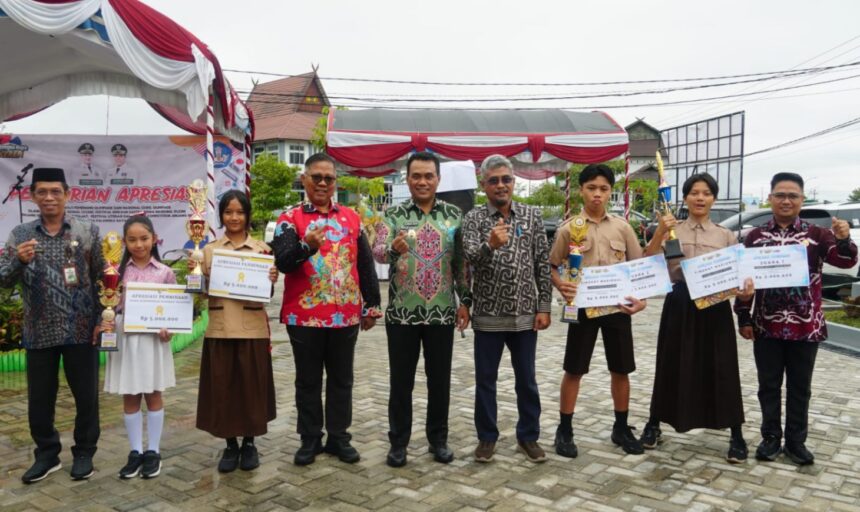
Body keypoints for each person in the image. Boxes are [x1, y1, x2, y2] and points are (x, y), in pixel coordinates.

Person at [735, 172, 857, 465]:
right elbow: (745, 280)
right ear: (770, 198)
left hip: (806, 326)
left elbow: (846, 261)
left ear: (802, 200)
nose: (786, 200)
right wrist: (743, 316)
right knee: (768, 385)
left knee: (801, 387)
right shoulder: (755, 237)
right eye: (780, 195)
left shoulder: (818, 235)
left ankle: (796, 442)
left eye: (792, 195)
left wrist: (844, 240)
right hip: (767, 324)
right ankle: (771, 438)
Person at [272, 153, 382, 466]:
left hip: (345, 315)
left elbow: (364, 263)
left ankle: (338, 437)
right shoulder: (289, 219)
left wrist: (371, 304)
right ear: (304, 180)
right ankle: (310, 439)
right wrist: (306, 246)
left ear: (335, 183)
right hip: (303, 316)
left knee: (341, 380)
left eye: (328, 178)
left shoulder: (351, 218)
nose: (322, 183)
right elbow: (282, 262)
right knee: (307, 381)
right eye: (316, 177)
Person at [639, 173, 755, 462]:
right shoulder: (671, 228)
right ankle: (654, 423)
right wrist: (658, 235)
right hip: (679, 304)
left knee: (723, 366)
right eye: (694, 192)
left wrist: (744, 293)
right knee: (670, 362)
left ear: (714, 198)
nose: (700, 198)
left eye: (706, 193)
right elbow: (647, 262)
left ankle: (736, 434)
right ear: (685, 198)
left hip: (715, 307)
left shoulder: (725, 236)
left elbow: (738, 276)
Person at [0, 168, 103, 484]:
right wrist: (19, 260)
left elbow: (103, 279)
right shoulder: (20, 235)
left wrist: (102, 320)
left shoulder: (86, 231)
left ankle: (84, 452)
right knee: (40, 401)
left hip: (81, 329)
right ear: (32, 196)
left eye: (55, 191)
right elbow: (3, 280)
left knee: (86, 397)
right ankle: (47, 455)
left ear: (67, 194)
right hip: (39, 330)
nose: (49, 197)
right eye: (42, 191)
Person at [371, 151, 471, 467]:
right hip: (402, 314)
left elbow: (461, 264)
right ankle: (398, 443)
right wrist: (392, 249)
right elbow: (378, 254)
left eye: (429, 176)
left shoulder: (455, 215)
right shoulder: (394, 214)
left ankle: (437, 440)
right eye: (417, 176)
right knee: (401, 381)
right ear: (407, 179)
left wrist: (465, 301)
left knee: (439, 380)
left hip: (442, 313)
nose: (423, 181)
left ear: (438, 179)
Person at [549, 163, 647, 457]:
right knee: (574, 369)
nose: (597, 194)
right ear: (581, 190)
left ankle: (621, 427)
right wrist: (561, 285)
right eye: (592, 188)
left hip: (618, 309)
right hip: (582, 310)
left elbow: (638, 267)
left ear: (610, 192)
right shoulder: (569, 229)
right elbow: (551, 265)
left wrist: (641, 299)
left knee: (621, 368)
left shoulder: (623, 227)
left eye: (604, 189)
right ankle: (564, 430)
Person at [462, 154, 552, 464]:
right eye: (494, 180)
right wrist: (490, 245)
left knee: (526, 379)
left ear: (513, 182)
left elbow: (543, 263)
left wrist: (544, 307)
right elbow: (470, 261)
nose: (501, 185)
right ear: (483, 184)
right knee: (486, 380)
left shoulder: (530, 215)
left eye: (506, 179)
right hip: (487, 315)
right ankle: (487, 437)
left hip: (526, 316)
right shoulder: (473, 218)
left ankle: (529, 436)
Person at [194, 190, 278, 473]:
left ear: (247, 216)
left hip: (252, 329)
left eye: (239, 212)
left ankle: (250, 444)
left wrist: (271, 279)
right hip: (220, 329)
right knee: (223, 388)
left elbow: (266, 293)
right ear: (221, 216)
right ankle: (230, 445)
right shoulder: (208, 250)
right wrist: (195, 276)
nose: (234, 217)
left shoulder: (262, 251)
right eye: (228, 212)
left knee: (251, 389)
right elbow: (202, 295)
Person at [101, 214, 176, 479]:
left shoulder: (165, 272)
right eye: (132, 240)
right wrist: (107, 322)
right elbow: (108, 307)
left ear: (154, 239)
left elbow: (174, 311)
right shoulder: (117, 273)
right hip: (126, 339)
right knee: (130, 395)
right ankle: (135, 452)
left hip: (154, 341)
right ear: (124, 242)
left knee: (154, 394)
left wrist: (170, 330)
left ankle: (153, 452)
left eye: (144, 238)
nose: (139, 244)